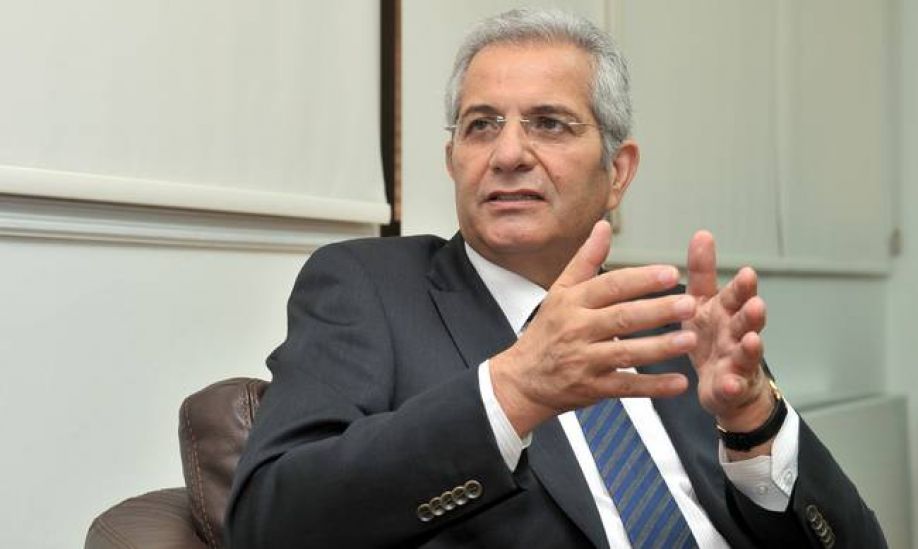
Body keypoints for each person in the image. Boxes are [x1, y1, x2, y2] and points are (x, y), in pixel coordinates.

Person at [226, 8, 885, 548]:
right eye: (481, 125)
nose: (508, 153)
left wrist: (753, 425)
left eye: (548, 123)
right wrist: (513, 389)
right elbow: (268, 521)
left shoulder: (672, 320)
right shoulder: (369, 289)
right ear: (453, 160)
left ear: (617, 172)